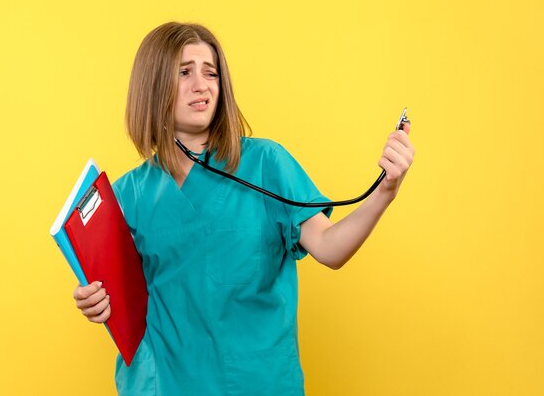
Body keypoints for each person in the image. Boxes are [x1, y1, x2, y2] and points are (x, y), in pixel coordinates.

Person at [73, 22, 414, 395]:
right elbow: (120, 298)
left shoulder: (265, 163)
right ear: (152, 85)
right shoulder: (125, 195)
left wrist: (385, 190)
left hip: (255, 383)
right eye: (184, 72)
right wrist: (96, 302)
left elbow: (331, 248)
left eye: (211, 73)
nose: (201, 85)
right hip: (164, 384)